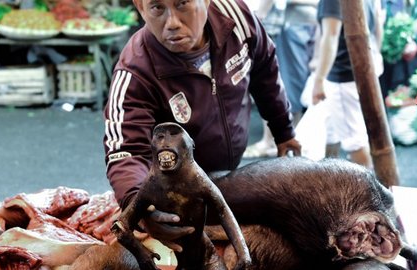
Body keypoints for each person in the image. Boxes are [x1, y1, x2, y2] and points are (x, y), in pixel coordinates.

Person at [103, 0, 301, 251]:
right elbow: (126, 152)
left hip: (231, 171)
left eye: (182, 4)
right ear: (140, 8)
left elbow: (264, 68)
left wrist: (283, 130)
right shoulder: (134, 71)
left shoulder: (236, 18)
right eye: (157, 8)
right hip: (173, 193)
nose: (172, 23)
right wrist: (140, 207)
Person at [311, 0, 385, 169]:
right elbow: (378, 23)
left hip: (344, 74)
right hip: (363, 67)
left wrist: (319, 79)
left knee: (355, 141)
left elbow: (330, 35)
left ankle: (369, 192)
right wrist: (375, 57)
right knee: (333, 134)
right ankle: (331, 184)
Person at [243, 0, 319, 158]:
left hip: (294, 23)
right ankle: (279, 140)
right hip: (301, 22)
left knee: (284, 84)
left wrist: (258, 15)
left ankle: (280, 140)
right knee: (285, 82)